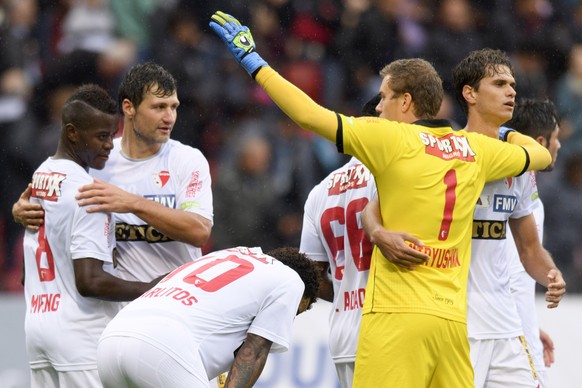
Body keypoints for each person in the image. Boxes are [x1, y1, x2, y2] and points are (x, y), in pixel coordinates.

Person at [208, 11, 553, 387]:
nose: (378, 107)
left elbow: (308, 115)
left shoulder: (390, 139)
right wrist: (508, 132)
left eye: (385, 97)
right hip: (452, 324)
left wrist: (254, 63)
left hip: (395, 317)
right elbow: (541, 155)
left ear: (406, 102)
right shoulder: (477, 150)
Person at [13, 62, 214, 283]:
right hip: (116, 308)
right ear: (129, 107)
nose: (169, 117)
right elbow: (49, 206)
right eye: (158, 107)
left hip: (177, 302)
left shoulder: (187, 160)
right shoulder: (96, 160)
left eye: (173, 107)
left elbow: (199, 231)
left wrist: (132, 203)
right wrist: (24, 211)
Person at [22, 84, 162, 388]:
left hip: (38, 324)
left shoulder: (41, 177)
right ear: (72, 133)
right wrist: (152, 289)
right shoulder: (91, 195)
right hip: (80, 334)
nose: (109, 145)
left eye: (111, 135)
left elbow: (26, 273)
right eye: (101, 136)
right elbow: (90, 282)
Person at [453, 49, 566, 388]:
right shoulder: (447, 154)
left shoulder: (519, 164)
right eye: (499, 83)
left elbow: (529, 248)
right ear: (470, 94)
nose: (511, 91)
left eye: (512, 84)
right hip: (458, 326)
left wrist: (551, 274)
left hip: (505, 327)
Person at [299, 94, 429, 387]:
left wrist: (350, 289)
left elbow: (311, 275)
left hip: (344, 334)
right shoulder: (396, 173)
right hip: (390, 330)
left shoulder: (320, 192)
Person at [96, 246, 320, 388]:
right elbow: (254, 352)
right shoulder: (291, 281)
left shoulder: (230, 254)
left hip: (111, 339)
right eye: (296, 312)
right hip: (163, 346)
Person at [505, 98, 562, 387]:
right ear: (540, 141)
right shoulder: (504, 185)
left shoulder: (528, 192)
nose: (559, 146)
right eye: (556, 138)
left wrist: (530, 324)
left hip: (515, 328)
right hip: (503, 336)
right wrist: (517, 327)